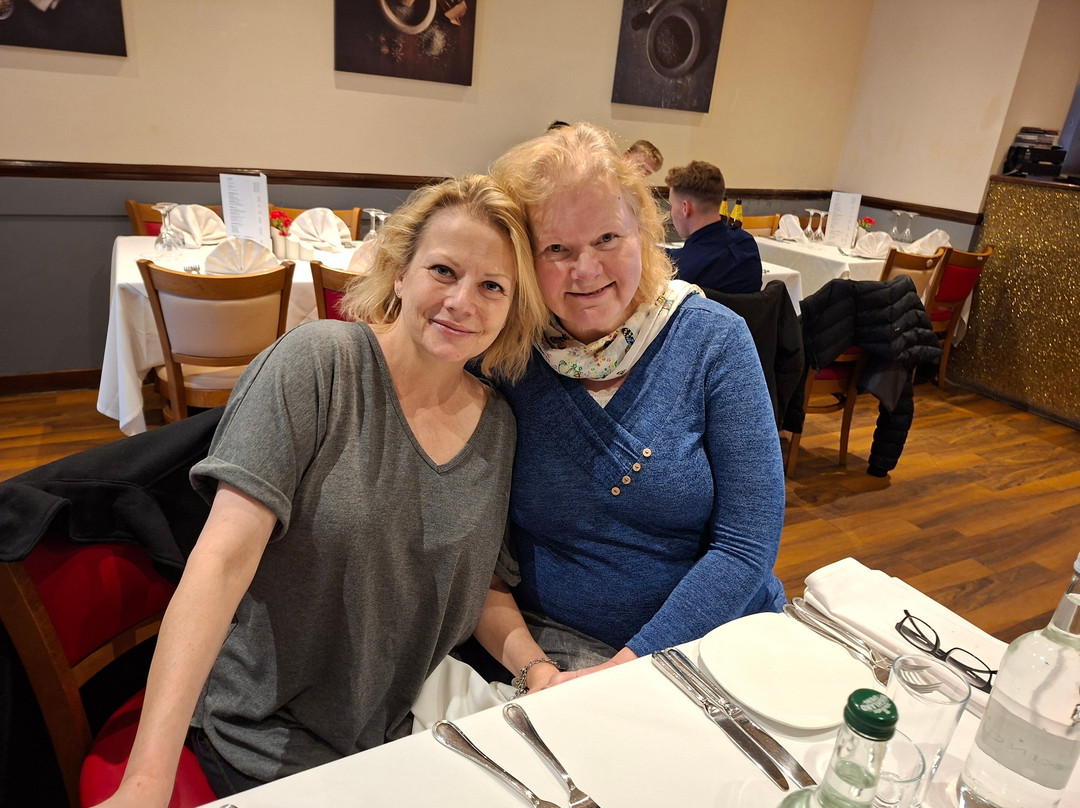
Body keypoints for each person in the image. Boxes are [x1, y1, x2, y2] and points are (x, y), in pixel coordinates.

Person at [93, 175, 550, 807]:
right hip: (266, 731)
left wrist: (538, 669)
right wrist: (146, 779)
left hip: (395, 729)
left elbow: (479, 587)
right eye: (443, 271)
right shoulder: (320, 365)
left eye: (492, 286)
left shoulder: (498, 424)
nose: (461, 301)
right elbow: (221, 562)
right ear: (400, 273)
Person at [481, 123, 786, 688]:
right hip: (556, 648)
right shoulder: (505, 356)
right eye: (557, 249)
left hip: (712, 644)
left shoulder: (714, 341)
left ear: (643, 234)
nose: (587, 270)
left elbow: (748, 543)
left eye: (607, 239)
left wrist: (625, 670)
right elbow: (472, 549)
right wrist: (540, 671)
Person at [665, 160, 764, 293]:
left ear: (685, 208)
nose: (672, 212)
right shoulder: (747, 244)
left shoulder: (682, 271)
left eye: (672, 205)